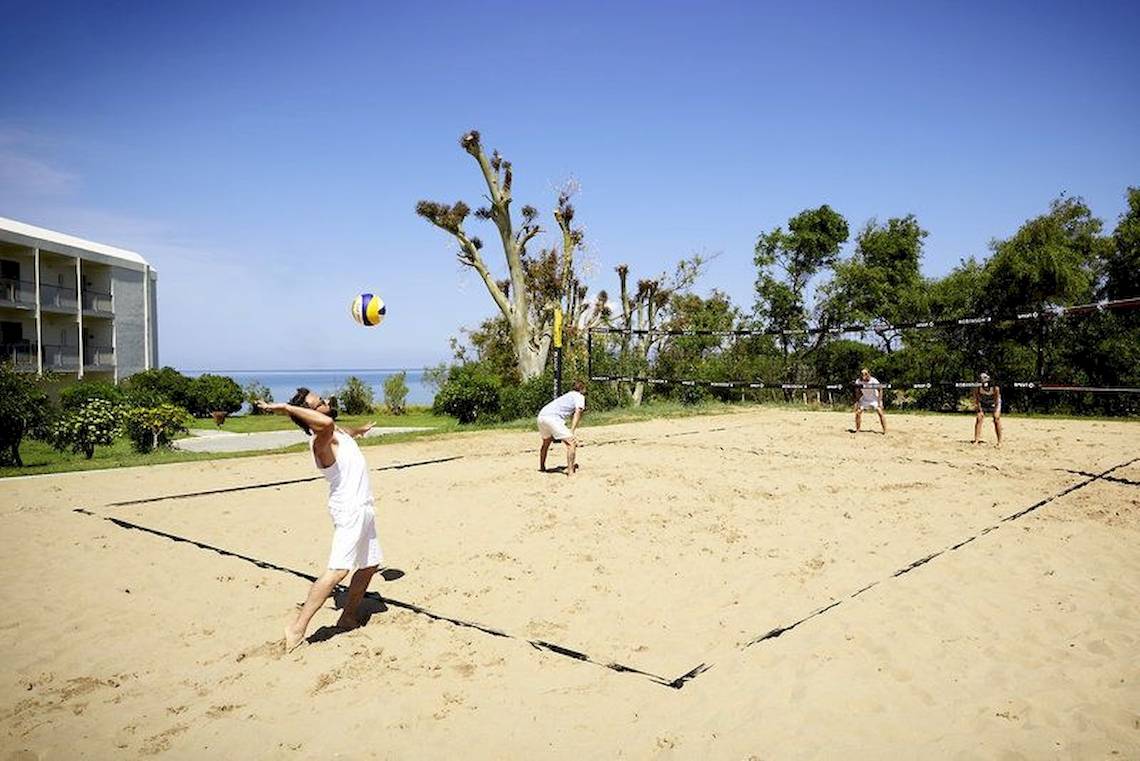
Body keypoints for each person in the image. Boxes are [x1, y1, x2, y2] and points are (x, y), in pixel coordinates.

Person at [256, 388, 382, 653]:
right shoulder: (321, 440)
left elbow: (341, 429)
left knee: (369, 565)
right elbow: (326, 425)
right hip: (349, 510)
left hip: (363, 507)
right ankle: (297, 628)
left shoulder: (336, 433)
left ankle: (347, 617)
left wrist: (359, 430)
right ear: (311, 416)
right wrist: (287, 409)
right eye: (319, 403)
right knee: (338, 570)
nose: (326, 401)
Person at [537, 380, 586, 476]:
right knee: (571, 443)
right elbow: (578, 412)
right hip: (552, 418)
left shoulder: (567, 395)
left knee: (546, 442)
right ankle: (570, 472)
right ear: (582, 389)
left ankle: (542, 467)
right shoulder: (580, 396)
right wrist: (572, 430)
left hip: (541, 416)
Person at [972, 372, 1002, 447]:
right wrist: (979, 408)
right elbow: (977, 399)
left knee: (996, 419)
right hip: (983, 402)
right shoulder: (978, 388)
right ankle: (976, 440)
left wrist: (995, 410)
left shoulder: (995, 388)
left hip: (994, 403)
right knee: (979, 418)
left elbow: (996, 400)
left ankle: (999, 441)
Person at [854, 367, 887, 434]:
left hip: (874, 399)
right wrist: (857, 402)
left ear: (868, 374)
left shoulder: (874, 381)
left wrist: (880, 402)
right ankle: (858, 430)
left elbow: (880, 389)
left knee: (880, 412)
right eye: (862, 374)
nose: (863, 375)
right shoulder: (858, 381)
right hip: (865, 399)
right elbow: (857, 392)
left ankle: (885, 430)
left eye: (865, 374)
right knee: (858, 413)